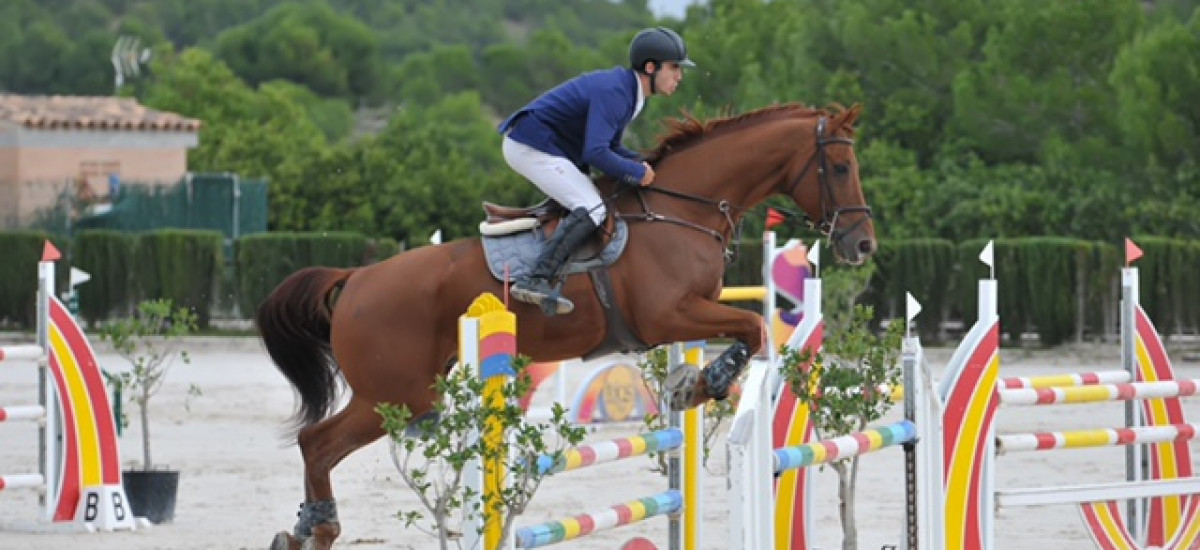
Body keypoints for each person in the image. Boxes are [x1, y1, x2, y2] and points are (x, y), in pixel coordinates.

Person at [498, 27, 695, 315]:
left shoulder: (629, 92)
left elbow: (611, 146)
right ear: (650, 67)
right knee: (592, 207)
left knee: (594, 199)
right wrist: (637, 172)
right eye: (675, 67)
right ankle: (535, 279)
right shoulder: (617, 92)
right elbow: (596, 152)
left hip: (554, 146)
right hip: (532, 146)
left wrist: (649, 163)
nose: (680, 76)